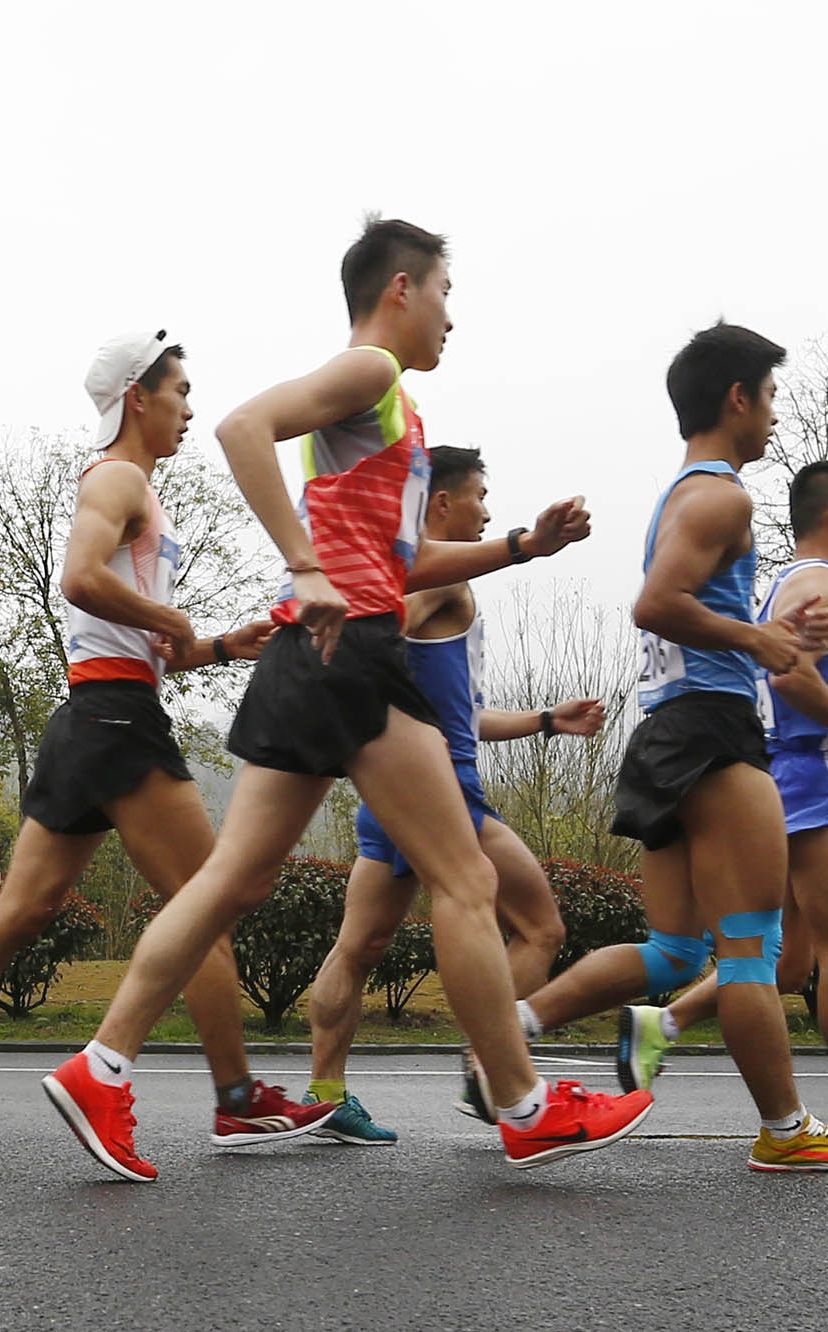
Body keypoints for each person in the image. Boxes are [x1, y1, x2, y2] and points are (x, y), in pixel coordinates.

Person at [39, 219, 642, 1181]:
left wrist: (523, 546)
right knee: (465, 880)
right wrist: (303, 563)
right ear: (401, 289)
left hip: (310, 648)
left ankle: (100, 1066)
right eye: (446, 292)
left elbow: (407, 561)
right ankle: (523, 1105)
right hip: (347, 646)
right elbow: (244, 427)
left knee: (229, 881)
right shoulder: (369, 370)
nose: (452, 315)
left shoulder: (390, 410)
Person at [0, 334, 298, 1154]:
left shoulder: (135, 490)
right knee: (208, 905)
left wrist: (210, 646)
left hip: (89, 714)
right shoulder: (117, 476)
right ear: (139, 396)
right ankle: (233, 1097)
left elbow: (129, 629)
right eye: (180, 391)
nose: (190, 409)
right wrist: (174, 621)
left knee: (22, 907)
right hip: (116, 720)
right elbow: (78, 577)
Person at [503, 325, 828, 1173]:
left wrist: (771, 629)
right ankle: (786, 1134)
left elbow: (694, 609)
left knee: (674, 952)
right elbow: (656, 604)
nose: (778, 416)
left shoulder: (684, 494)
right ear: (737, 398)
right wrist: (759, 645)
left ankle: (505, 1038)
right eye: (772, 396)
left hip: (665, 730)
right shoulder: (725, 498)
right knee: (750, 952)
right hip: (712, 733)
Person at [620, 463, 828, 1140]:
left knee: (787, 961)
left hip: (767, 772)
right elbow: (791, 673)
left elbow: (781, 666)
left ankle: (664, 1022)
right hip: (815, 778)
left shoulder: (774, 587)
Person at [296, 445, 607, 1143]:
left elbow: (462, 713)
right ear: (440, 505)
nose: (488, 511)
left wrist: (545, 721)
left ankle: (324, 1095)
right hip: (443, 791)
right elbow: (373, 636)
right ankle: (492, 1062)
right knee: (539, 927)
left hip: (399, 786)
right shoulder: (439, 583)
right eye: (478, 497)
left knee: (360, 944)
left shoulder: (441, 589)